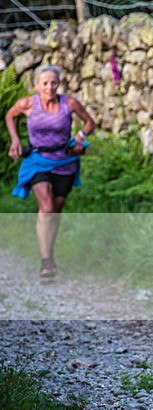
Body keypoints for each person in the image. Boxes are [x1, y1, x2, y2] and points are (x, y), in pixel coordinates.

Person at [5, 64, 95, 279]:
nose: (49, 87)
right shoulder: (27, 104)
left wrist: (80, 136)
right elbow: (10, 116)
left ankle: (49, 253)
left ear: (58, 84)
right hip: (38, 161)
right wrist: (15, 139)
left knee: (54, 211)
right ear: (36, 85)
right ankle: (46, 261)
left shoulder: (69, 103)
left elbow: (90, 122)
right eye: (44, 83)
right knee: (46, 206)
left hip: (65, 162)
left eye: (53, 82)